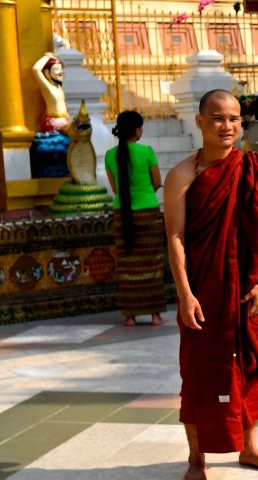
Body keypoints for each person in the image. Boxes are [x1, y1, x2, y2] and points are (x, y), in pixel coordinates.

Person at [163, 89, 258, 480]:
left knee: (248, 367)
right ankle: (196, 457)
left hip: (246, 288)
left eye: (233, 118)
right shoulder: (182, 175)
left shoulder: (251, 167)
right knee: (199, 372)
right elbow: (175, 238)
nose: (227, 126)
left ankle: (248, 446)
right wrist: (184, 294)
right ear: (199, 122)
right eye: (217, 118)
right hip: (205, 290)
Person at [104, 111, 166, 327]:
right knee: (152, 264)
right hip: (148, 211)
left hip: (122, 214)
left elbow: (115, 188)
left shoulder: (110, 155)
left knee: (128, 265)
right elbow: (157, 181)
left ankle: (129, 315)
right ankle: (155, 315)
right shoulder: (146, 151)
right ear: (137, 130)